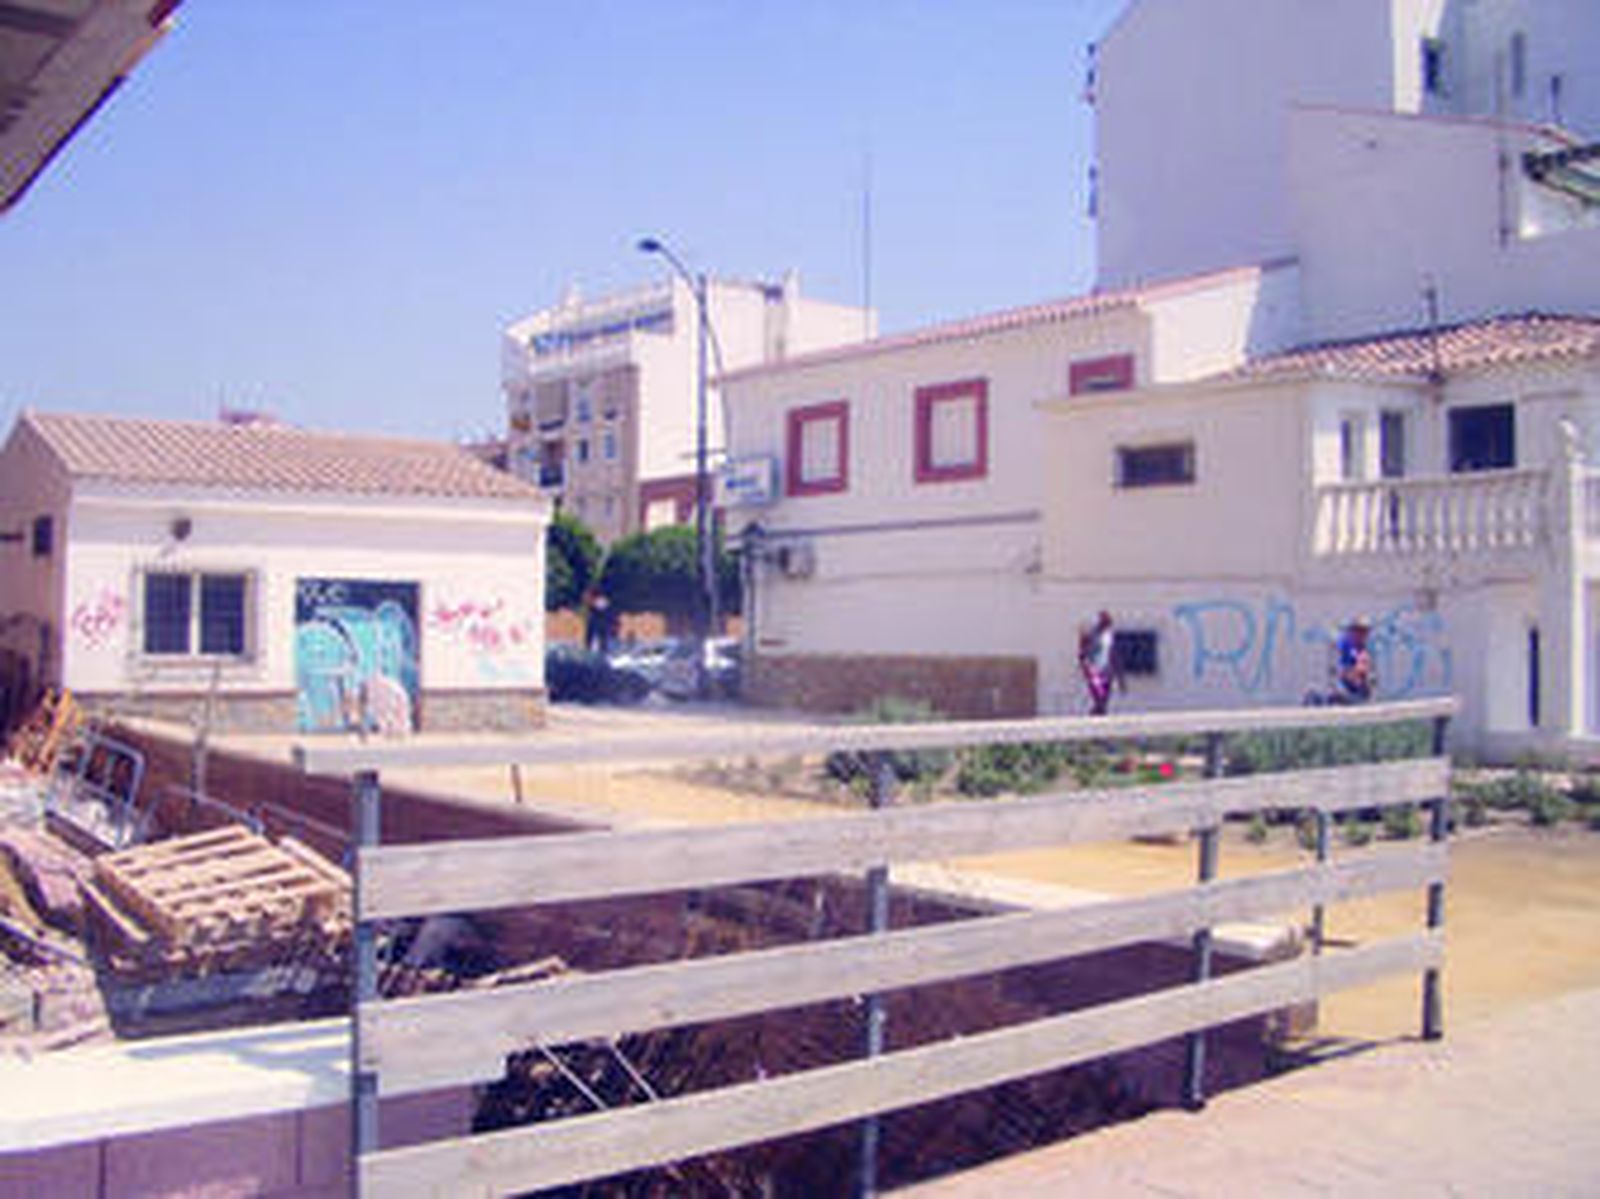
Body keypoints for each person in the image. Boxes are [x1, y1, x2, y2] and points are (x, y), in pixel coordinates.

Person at [1079, 610, 1119, 716]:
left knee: (1104, 696)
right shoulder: (1092, 634)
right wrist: (1085, 665)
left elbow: (1112, 652)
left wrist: (1115, 669)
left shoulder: (1109, 636)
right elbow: (1083, 651)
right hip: (1094, 669)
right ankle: (1098, 711)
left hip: (1107, 670)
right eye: (1106, 621)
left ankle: (1099, 712)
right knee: (1099, 694)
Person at [1333, 616, 1376, 703]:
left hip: (1358, 692)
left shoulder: (1361, 647)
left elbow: (1365, 669)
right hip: (1345, 690)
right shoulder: (1345, 645)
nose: (1363, 635)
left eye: (1365, 631)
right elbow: (1343, 669)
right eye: (1359, 631)